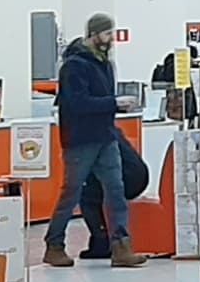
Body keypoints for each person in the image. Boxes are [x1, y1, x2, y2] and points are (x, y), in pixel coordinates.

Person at [43, 16, 141, 268]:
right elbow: (77, 103)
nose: (111, 39)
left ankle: (121, 246)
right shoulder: (73, 67)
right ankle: (54, 244)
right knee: (71, 193)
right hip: (80, 140)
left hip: (106, 136)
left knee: (116, 191)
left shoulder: (105, 64)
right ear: (94, 34)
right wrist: (114, 103)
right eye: (107, 34)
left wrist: (114, 105)